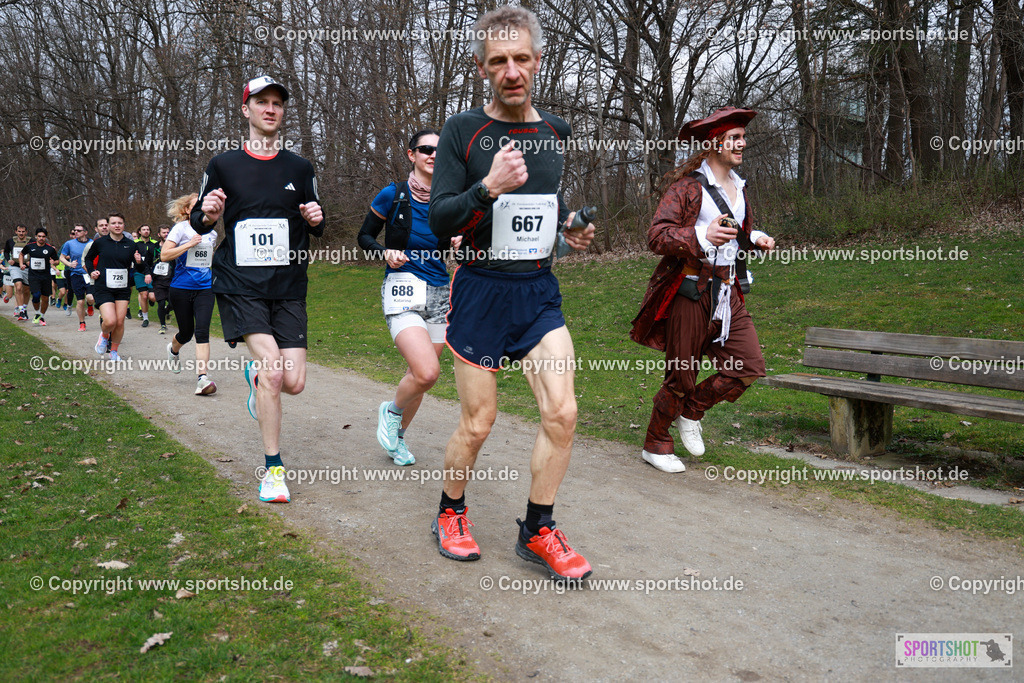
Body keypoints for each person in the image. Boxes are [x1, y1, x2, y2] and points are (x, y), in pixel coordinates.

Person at [427, 6, 596, 582]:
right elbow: (439, 214)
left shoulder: (556, 132)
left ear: (538, 60)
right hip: (479, 291)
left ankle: (538, 528)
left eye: (521, 58)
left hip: (537, 293)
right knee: (478, 423)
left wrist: (569, 230)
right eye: (498, 61)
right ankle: (450, 512)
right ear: (482, 68)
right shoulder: (461, 131)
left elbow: (542, 209)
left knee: (564, 413)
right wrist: (486, 187)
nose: (512, 70)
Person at [190, 75, 325, 503]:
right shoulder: (223, 164)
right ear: (245, 109)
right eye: (261, 102)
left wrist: (318, 219)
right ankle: (273, 471)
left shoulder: (301, 168)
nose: (270, 109)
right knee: (273, 370)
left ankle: (255, 378)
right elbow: (197, 220)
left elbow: (318, 225)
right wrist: (208, 213)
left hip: (287, 286)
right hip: (240, 283)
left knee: (295, 382)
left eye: (277, 103)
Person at [630, 106, 776, 472]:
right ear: (716, 142)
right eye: (735, 138)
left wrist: (753, 237)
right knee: (682, 372)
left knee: (748, 365)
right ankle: (656, 444)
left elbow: (733, 229)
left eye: (743, 137)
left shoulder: (739, 188)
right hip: (692, 289)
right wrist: (700, 235)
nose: (743, 143)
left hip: (728, 293)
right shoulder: (687, 187)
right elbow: (657, 235)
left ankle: (692, 412)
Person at [359, 129, 461, 466]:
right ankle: (391, 411)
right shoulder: (393, 195)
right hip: (402, 287)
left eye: (439, 150)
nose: (433, 154)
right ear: (411, 154)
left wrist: (462, 243)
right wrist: (384, 252)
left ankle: (398, 438)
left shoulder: (449, 199)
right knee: (427, 371)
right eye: (425, 149)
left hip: (439, 292)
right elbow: (364, 237)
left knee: (418, 376)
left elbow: (456, 244)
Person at [162, 194, 217, 395]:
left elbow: (208, 259)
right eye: (196, 206)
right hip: (181, 288)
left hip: (205, 288)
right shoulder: (180, 229)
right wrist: (188, 244)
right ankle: (173, 349)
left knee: (202, 331)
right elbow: (164, 255)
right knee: (186, 332)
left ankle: (202, 378)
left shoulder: (212, 232)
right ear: (186, 210)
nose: (201, 208)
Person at [83, 212, 147, 361]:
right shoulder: (100, 242)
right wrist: (92, 271)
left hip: (122, 287)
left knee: (120, 321)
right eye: (113, 223)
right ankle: (104, 335)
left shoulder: (131, 244)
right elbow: (88, 259)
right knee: (110, 321)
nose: (117, 226)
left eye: (120, 223)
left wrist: (138, 262)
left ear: (124, 225)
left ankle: (114, 352)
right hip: (103, 286)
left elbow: (139, 268)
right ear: (109, 226)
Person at [19, 228, 60, 326]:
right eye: (39, 236)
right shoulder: (30, 246)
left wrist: (53, 262)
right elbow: (21, 254)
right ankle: (37, 312)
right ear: (36, 236)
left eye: (43, 237)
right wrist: (21, 264)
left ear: (46, 237)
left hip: (46, 276)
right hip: (33, 276)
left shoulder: (50, 249)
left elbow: (57, 261)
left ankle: (41, 316)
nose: (41, 238)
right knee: (36, 295)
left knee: (45, 298)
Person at [60, 224, 93, 331]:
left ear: (85, 232)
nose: (76, 232)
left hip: (89, 275)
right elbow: (61, 257)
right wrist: (69, 264)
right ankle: (82, 323)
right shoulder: (69, 244)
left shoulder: (92, 243)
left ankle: (90, 305)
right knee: (80, 301)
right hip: (76, 275)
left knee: (90, 297)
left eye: (79, 230)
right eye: (75, 231)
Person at [4, 225, 31, 320]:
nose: (21, 233)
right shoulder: (10, 241)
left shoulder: (31, 242)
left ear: (26, 232)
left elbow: (35, 252)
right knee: (18, 287)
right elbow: (6, 252)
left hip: (27, 268)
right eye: (19, 231)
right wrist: (8, 260)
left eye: (23, 231)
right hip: (15, 267)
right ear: (16, 231)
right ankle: (21, 311)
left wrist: (30, 261)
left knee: (27, 290)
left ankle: (24, 308)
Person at [151, 224, 175, 334]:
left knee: (173, 303)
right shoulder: (154, 247)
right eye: (164, 232)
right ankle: (163, 325)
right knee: (160, 303)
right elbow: (147, 263)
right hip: (158, 281)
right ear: (158, 234)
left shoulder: (174, 247)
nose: (166, 234)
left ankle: (167, 311)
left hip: (172, 279)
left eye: (167, 232)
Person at [134, 224, 158, 327]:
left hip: (152, 273)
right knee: (143, 295)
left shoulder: (155, 244)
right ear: (139, 232)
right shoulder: (134, 243)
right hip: (139, 272)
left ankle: (151, 300)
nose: (146, 231)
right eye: (143, 229)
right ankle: (145, 318)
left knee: (152, 297)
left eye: (148, 229)